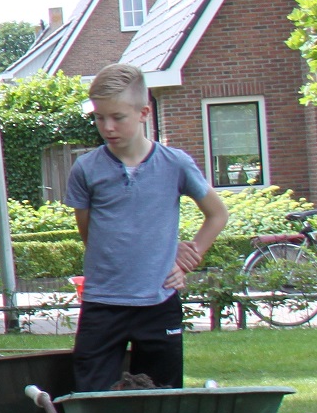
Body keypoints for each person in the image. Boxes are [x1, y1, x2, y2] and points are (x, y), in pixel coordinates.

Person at [67, 64, 227, 391]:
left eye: (118, 117)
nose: (107, 126)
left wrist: (186, 258)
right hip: (102, 303)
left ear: (143, 112)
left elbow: (217, 214)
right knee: (89, 399)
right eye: (99, 118)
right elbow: (89, 234)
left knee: (161, 401)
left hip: (159, 305)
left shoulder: (176, 164)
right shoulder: (86, 169)